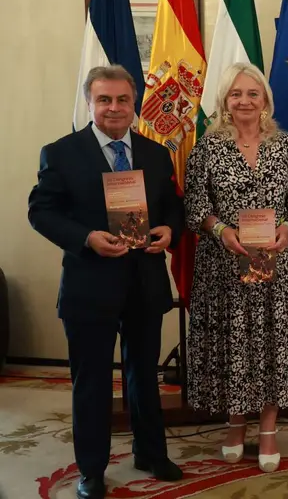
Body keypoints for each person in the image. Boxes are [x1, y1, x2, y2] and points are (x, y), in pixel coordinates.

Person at [27, 65, 185, 499]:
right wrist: (85, 238)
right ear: (90, 102)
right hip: (89, 286)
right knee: (93, 381)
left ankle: (151, 452)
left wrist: (169, 231)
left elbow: (173, 207)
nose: (114, 108)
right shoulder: (60, 153)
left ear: (134, 105)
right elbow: (41, 212)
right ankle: (92, 469)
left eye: (122, 100)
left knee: (143, 375)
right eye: (104, 100)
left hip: (144, 282)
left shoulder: (155, 153)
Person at [183, 62, 288, 473]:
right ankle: (235, 422)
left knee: (273, 345)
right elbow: (195, 206)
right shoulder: (208, 146)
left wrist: (287, 230)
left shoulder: (285, 145)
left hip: (277, 265)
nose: (244, 101)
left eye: (253, 94)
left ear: (265, 101)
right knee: (234, 345)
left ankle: (269, 428)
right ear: (224, 101)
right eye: (236, 94)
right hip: (224, 267)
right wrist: (222, 231)